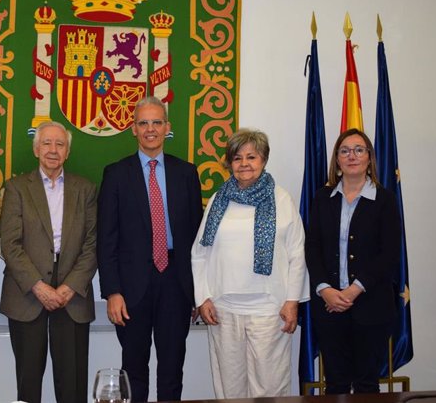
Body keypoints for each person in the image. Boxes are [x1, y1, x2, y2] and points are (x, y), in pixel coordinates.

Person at [97, 97, 203, 402]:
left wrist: (197, 290)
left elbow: (196, 240)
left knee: (172, 370)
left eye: (157, 122)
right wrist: (112, 291)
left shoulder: (186, 174)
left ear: (167, 128)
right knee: (133, 370)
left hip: (176, 284)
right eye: (143, 123)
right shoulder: (116, 174)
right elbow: (107, 239)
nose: (150, 129)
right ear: (133, 129)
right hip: (131, 288)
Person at [191, 128, 309, 398]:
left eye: (251, 157)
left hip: (269, 309)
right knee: (230, 388)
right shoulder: (219, 200)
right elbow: (200, 252)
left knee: (269, 388)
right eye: (237, 158)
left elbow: (296, 253)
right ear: (230, 163)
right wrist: (203, 297)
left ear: (264, 160)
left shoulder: (282, 199)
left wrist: (292, 301)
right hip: (223, 309)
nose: (244, 164)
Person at [0, 121, 97, 403]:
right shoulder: (17, 187)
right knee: (28, 384)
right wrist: (39, 287)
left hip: (72, 298)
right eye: (46, 143)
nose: (53, 150)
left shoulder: (86, 189)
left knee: (73, 386)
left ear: (67, 152)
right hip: (27, 295)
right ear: (36, 149)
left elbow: (92, 245)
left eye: (60, 144)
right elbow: (10, 243)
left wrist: (68, 288)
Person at [305, 128, 400, 394]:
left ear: (369, 158)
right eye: (345, 150)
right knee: (335, 383)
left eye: (359, 150)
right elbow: (312, 247)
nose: (352, 156)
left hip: (372, 307)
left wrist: (354, 290)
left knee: (367, 384)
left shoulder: (385, 200)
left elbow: (389, 253)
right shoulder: (322, 198)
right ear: (337, 159)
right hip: (329, 306)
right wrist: (325, 289)